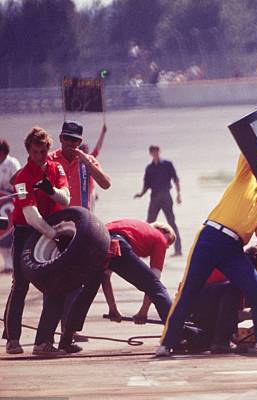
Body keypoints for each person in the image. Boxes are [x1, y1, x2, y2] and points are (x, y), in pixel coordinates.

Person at [156, 142, 257, 357]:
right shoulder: (246, 180)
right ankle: (165, 344)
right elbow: (249, 152)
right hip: (210, 238)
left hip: (233, 248)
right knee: (188, 291)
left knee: (256, 292)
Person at [57, 219, 178, 353]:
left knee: (87, 292)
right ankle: (177, 334)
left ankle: (66, 340)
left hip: (95, 243)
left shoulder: (133, 226)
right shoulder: (159, 237)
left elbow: (105, 277)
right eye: (169, 241)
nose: (167, 246)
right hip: (118, 242)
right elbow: (154, 282)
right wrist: (143, 312)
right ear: (162, 230)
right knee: (157, 287)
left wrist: (112, 309)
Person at [3, 127, 70, 355]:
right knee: (20, 284)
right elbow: (31, 216)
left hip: (50, 228)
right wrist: (52, 234)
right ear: (28, 152)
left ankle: (43, 342)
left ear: (48, 150)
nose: (39, 156)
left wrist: (50, 191)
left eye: (43, 151)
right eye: (35, 152)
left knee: (54, 284)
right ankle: (13, 338)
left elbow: (66, 198)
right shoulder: (21, 178)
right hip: (26, 230)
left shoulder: (56, 168)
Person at [49, 120, 111, 342]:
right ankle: (45, 332)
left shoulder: (87, 160)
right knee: (56, 281)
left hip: (82, 229)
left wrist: (85, 160)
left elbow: (106, 184)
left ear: (80, 143)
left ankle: (69, 330)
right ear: (61, 139)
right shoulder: (51, 160)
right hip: (57, 227)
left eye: (75, 141)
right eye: (68, 139)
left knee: (77, 280)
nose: (71, 145)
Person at [188, 244, 257, 354]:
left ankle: (222, 340)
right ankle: (221, 342)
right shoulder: (234, 269)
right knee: (233, 289)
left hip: (202, 308)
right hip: (202, 307)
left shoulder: (232, 264)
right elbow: (251, 289)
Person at [134, 145, 182, 256]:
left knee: (171, 223)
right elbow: (146, 185)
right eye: (153, 152)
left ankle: (178, 249)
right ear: (150, 153)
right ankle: (144, 248)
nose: (155, 154)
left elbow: (176, 179)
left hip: (166, 196)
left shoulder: (167, 164)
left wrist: (178, 194)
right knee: (149, 224)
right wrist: (141, 194)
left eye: (156, 151)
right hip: (154, 197)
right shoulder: (149, 168)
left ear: (159, 151)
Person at [0, 139, 21, 273]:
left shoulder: (12, 163)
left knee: (11, 231)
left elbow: (19, 180)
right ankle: (5, 262)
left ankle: (12, 262)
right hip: (0, 202)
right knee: (1, 233)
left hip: (11, 203)